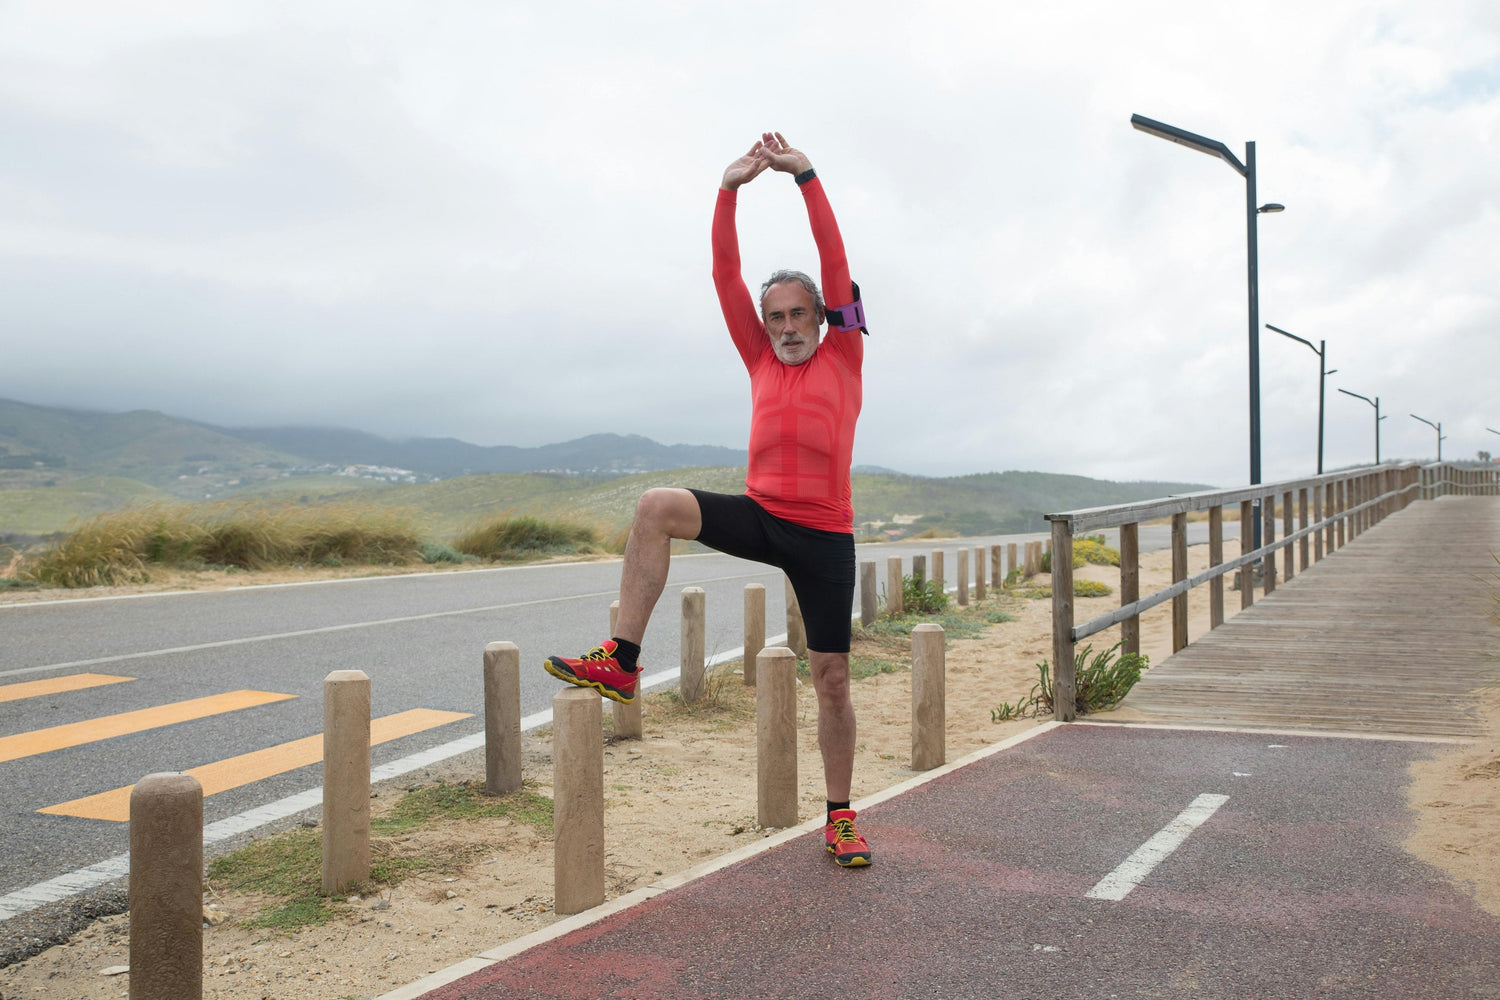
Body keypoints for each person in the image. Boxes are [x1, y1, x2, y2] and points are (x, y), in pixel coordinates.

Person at [545, 132, 871, 867]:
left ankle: (841, 815)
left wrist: (805, 177)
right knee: (657, 504)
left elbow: (836, 263)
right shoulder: (757, 354)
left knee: (832, 678)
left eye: (798, 315)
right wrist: (728, 191)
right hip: (760, 514)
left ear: (821, 318)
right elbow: (725, 271)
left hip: (823, 535)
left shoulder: (845, 353)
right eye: (776, 317)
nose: (786, 328)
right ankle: (621, 661)